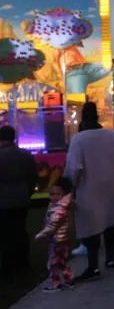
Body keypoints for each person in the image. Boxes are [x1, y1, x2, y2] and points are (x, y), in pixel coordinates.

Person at [64, 102, 114, 281]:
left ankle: (93, 266)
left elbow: (74, 168)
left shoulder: (79, 139)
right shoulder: (112, 135)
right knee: (109, 222)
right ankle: (110, 258)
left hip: (88, 187)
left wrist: (70, 186)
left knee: (92, 227)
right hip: (111, 185)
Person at [0, 125, 37, 277]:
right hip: (21, 199)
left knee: (5, 233)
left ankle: (8, 266)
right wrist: (27, 194)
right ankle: (23, 262)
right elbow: (32, 178)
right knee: (20, 230)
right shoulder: (25, 155)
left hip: (3, 201)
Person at [35, 177, 75, 293]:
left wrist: (40, 235)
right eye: (51, 194)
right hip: (62, 238)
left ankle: (55, 283)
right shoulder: (61, 206)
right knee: (61, 261)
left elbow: (52, 226)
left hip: (57, 239)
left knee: (53, 263)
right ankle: (69, 279)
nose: (52, 197)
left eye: (56, 194)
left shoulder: (58, 209)